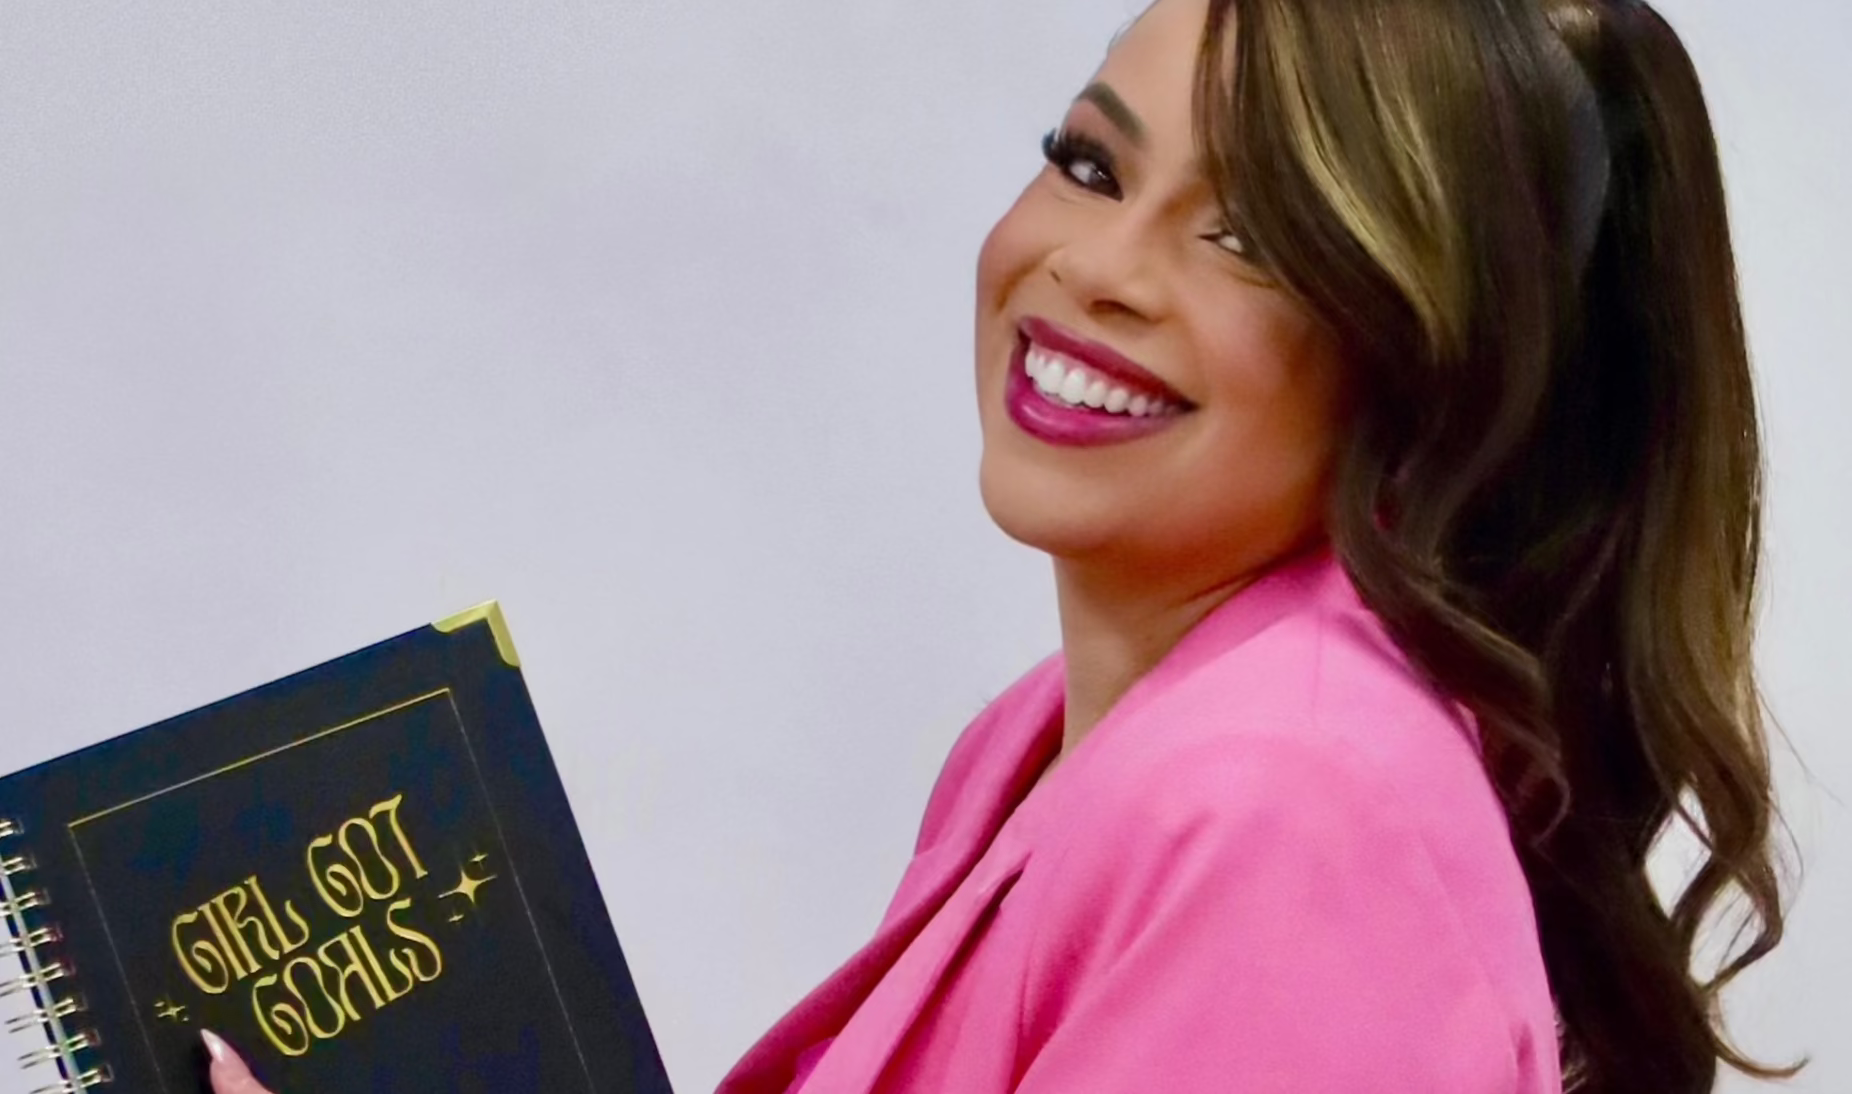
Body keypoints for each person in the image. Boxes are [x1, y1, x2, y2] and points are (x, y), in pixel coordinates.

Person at [206, 0, 1803, 1090]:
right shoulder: (1057, 735)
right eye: (1090, 161)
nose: (1097, 264)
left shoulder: (1284, 806)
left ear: (1440, 359)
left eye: (1252, 234)